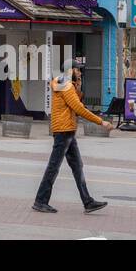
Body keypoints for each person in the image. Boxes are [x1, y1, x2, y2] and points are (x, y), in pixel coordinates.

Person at [32, 65, 112, 214]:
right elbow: (79, 108)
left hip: (67, 130)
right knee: (54, 167)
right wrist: (101, 122)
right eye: (77, 70)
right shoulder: (66, 86)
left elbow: (74, 104)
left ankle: (87, 202)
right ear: (70, 71)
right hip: (63, 131)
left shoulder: (66, 84)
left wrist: (78, 86)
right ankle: (40, 201)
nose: (80, 73)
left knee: (77, 166)